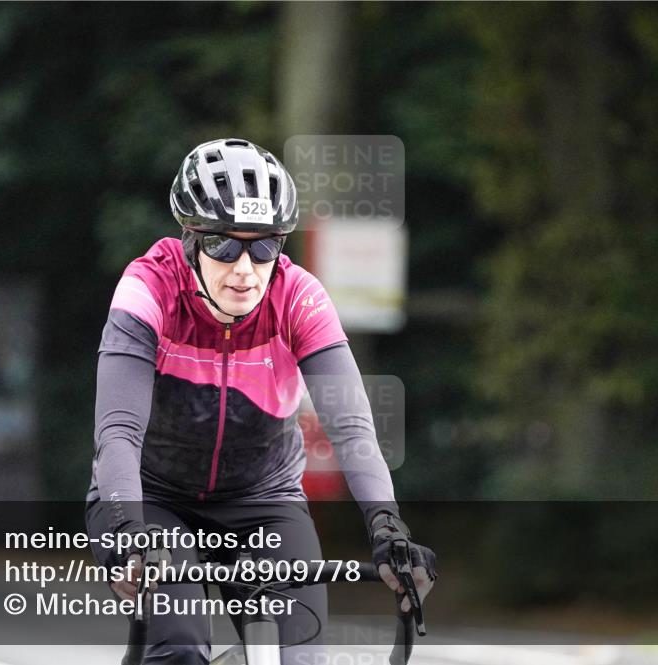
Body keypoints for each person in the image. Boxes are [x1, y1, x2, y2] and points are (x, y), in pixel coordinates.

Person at [85, 138, 436, 664]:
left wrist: (387, 526)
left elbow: (353, 429)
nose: (245, 269)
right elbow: (118, 432)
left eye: (265, 246)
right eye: (224, 246)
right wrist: (127, 528)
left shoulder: (299, 296)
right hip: (155, 500)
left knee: (302, 658)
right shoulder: (149, 288)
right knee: (179, 645)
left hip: (262, 500)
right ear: (190, 242)